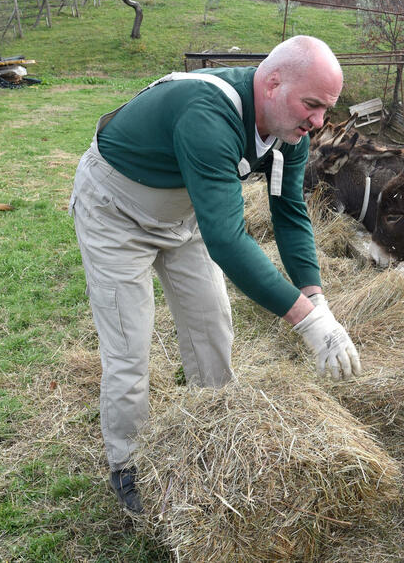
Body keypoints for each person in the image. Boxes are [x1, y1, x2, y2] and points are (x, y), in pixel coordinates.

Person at [68, 35, 363, 514]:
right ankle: (127, 464)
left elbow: (288, 213)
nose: (317, 122)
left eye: (325, 110)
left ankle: (213, 430)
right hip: (116, 209)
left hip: (185, 214)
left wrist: (317, 298)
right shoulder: (209, 112)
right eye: (311, 105)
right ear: (272, 83)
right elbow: (227, 241)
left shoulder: (291, 135)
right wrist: (308, 322)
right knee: (130, 348)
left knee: (213, 327)